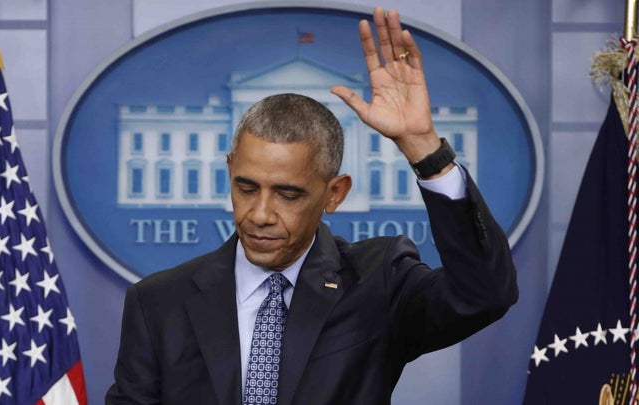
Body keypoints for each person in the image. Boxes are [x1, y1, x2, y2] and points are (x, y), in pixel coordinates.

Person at [106, 6, 517, 405]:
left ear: (334, 193)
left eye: (288, 194)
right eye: (246, 188)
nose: (261, 214)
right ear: (230, 170)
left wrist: (424, 148)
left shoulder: (378, 284)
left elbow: (485, 294)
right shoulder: (158, 302)